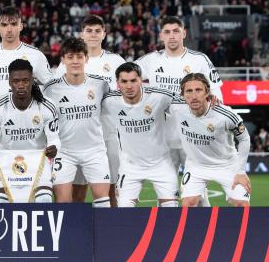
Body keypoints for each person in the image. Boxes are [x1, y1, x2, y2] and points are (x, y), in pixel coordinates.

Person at [0, 6, 53, 201]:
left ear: (21, 26)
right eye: (4, 25)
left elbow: (50, 87)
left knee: (33, 183)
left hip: (30, 128)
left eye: (14, 24)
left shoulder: (35, 55)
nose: (9, 30)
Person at [136, 16, 223, 207]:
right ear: (161, 36)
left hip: (192, 137)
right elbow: (126, 76)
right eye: (167, 32)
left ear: (184, 33)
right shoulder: (150, 61)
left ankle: (205, 233)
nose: (172, 36)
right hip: (162, 138)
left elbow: (216, 92)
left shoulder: (199, 60)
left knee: (198, 193)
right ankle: (167, 233)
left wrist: (213, 112)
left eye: (176, 31)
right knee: (165, 194)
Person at [56, 14, 125, 205]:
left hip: (108, 136)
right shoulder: (66, 63)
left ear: (104, 34)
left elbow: (124, 95)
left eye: (97, 31)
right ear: (81, 34)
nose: (93, 35)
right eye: (89, 31)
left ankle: (110, 231)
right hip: (75, 138)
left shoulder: (116, 61)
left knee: (110, 192)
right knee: (77, 193)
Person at [42, 38, 111, 206]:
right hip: (64, 152)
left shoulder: (101, 84)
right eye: (70, 57)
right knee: (63, 203)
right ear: (63, 59)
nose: (75, 61)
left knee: (103, 201)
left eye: (79, 56)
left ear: (86, 58)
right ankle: (66, 233)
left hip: (95, 150)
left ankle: (104, 233)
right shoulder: (51, 89)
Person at [101, 63, 179, 207]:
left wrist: (209, 98)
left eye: (133, 80)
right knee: (124, 212)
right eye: (124, 81)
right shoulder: (109, 100)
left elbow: (190, 103)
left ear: (141, 80)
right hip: (130, 167)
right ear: (117, 83)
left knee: (171, 211)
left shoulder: (160, 96)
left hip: (161, 164)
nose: (129, 86)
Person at [0, 59, 60, 203]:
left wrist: (54, 147)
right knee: (1, 204)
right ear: (9, 82)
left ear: (32, 80)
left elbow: (54, 139)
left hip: (38, 162)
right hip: (6, 162)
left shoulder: (46, 106)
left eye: (25, 81)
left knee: (44, 200)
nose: (21, 85)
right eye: (16, 81)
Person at [170, 73, 251, 207]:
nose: (194, 96)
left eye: (199, 90)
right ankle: (204, 211)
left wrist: (241, 172)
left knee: (241, 204)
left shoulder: (225, 114)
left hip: (227, 165)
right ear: (182, 94)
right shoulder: (176, 107)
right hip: (196, 166)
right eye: (189, 91)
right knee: (188, 204)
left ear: (207, 92)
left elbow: (244, 138)